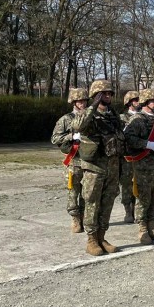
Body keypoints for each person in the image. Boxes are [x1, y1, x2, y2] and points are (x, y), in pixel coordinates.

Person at [72, 80, 125, 256]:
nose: (108, 96)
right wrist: (92, 106)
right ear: (95, 96)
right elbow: (78, 126)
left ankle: (102, 237)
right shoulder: (89, 115)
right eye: (103, 93)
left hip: (112, 167)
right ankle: (92, 240)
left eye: (110, 93)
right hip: (95, 167)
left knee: (108, 202)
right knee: (92, 203)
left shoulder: (113, 115)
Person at [123, 89, 154, 245]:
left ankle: (152, 227)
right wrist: (147, 144)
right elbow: (128, 139)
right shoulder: (137, 120)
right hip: (144, 166)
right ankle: (143, 229)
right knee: (144, 199)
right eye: (153, 101)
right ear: (145, 102)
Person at [51, 87, 88, 233]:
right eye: (79, 101)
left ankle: (85, 217)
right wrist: (71, 137)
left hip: (88, 161)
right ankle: (75, 218)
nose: (82, 103)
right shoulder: (66, 119)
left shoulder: (90, 117)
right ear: (74, 102)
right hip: (73, 161)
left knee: (87, 192)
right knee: (73, 191)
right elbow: (55, 139)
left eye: (84, 100)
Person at [119, 90, 140, 224]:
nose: (139, 102)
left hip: (142, 156)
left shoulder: (144, 116)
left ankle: (139, 211)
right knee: (127, 184)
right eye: (136, 100)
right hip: (127, 157)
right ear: (129, 102)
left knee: (141, 183)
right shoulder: (121, 118)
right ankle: (128, 210)